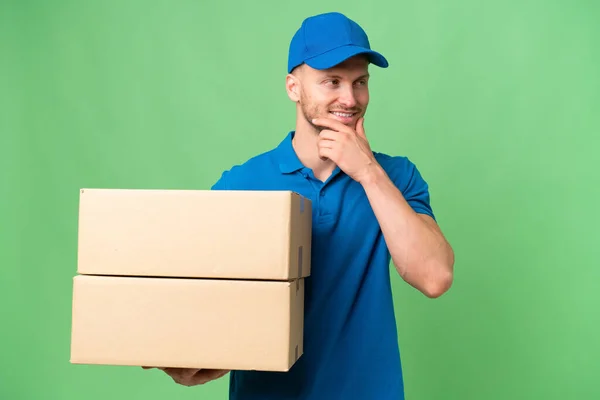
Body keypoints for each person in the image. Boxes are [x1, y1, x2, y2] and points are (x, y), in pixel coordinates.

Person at [148, 11, 454, 399]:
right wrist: (195, 359)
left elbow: (435, 277)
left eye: (360, 82)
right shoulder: (241, 185)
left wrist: (368, 172)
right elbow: (206, 304)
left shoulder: (395, 177)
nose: (350, 98)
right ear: (293, 87)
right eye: (332, 81)